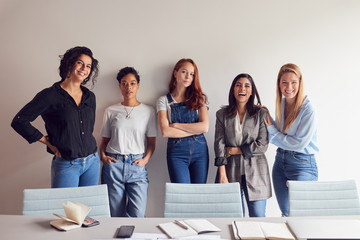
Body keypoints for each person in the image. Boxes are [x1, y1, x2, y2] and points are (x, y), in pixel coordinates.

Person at [11, 46, 100, 188]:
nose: (84, 68)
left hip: (92, 162)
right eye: (80, 62)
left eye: (88, 66)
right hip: (67, 164)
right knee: (63, 209)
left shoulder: (90, 97)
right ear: (70, 63)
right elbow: (20, 121)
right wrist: (47, 142)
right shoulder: (50, 95)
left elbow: (88, 129)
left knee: (87, 209)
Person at [100, 67, 157, 217]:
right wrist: (103, 157)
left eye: (132, 83)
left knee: (137, 216)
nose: (128, 87)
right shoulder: (111, 110)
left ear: (138, 85)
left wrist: (145, 160)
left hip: (136, 166)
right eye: (124, 83)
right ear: (119, 86)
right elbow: (104, 141)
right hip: (114, 164)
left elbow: (151, 141)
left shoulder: (148, 111)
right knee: (115, 215)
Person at [264, 63, 318, 217]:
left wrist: (271, 129)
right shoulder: (282, 104)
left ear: (300, 84)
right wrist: (269, 120)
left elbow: (298, 143)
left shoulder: (308, 109)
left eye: (294, 82)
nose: (289, 87)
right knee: (286, 214)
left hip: (303, 164)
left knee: (301, 215)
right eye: (284, 82)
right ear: (279, 84)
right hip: (280, 162)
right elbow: (282, 133)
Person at [214, 73, 271, 217]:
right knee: (234, 217)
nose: (242, 88)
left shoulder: (261, 113)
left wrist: (235, 150)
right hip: (230, 170)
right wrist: (222, 173)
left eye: (247, 86)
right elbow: (219, 143)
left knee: (258, 217)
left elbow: (262, 145)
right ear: (233, 89)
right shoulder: (222, 114)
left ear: (251, 91)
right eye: (238, 85)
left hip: (257, 171)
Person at [157, 58, 209, 183]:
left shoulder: (199, 98)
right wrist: (195, 130)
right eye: (184, 72)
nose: (188, 77)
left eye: (192, 74)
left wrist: (176, 125)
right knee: (182, 195)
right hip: (176, 153)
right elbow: (165, 132)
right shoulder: (163, 100)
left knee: (198, 193)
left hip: (200, 151)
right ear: (175, 73)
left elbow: (205, 127)